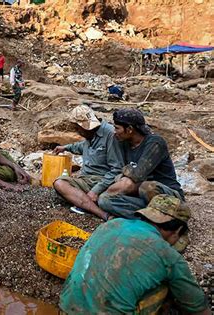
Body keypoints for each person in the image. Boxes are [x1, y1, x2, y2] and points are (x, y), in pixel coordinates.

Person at [60, 195, 210, 315]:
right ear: (177, 231)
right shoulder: (168, 254)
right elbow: (198, 308)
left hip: (66, 307)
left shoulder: (111, 224)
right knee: (167, 287)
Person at [98, 108, 185, 219]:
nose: (115, 132)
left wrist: (124, 171)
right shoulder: (124, 143)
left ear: (129, 129)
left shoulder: (155, 142)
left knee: (147, 187)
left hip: (167, 195)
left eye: (117, 128)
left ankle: (172, 214)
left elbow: (137, 175)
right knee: (104, 200)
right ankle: (155, 218)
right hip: (142, 197)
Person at [53, 105, 123, 221]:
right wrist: (65, 148)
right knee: (59, 183)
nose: (79, 132)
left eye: (79, 129)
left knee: (102, 197)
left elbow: (117, 169)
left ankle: (101, 214)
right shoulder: (89, 135)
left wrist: (95, 190)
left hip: (102, 181)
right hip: (86, 179)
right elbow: (82, 147)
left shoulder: (110, 135)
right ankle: (86, 201)